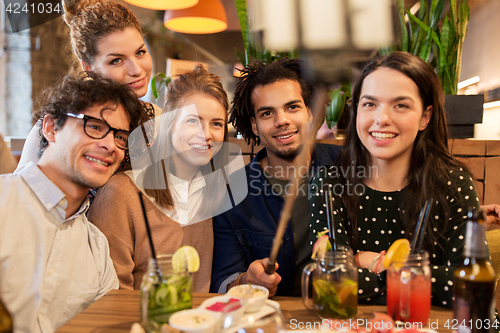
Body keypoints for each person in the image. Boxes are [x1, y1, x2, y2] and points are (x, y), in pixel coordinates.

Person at [309, 51, 480, 308]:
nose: (382, 118)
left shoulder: (452, 183)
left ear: (425, 116)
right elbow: (331, 284)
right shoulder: (330, 182)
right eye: (370, 104)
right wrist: (417, 277)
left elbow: (470, 286)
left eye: (401, 105)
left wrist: (372, 263)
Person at [0, 71, 144, 332]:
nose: (110, 144)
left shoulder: (98, 250)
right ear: (51, 128)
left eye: (120, 136)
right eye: (94, 126)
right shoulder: (4, 204)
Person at [88, 66, 232, 292]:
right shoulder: (121, 193)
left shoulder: (214, 193)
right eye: (193, 121)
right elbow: (109, 294)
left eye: (216, 123)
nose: (206, 134)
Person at [211, 58, 342, 297]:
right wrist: (245, 281)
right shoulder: (230, 193)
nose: (281, 120)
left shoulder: (347, 166)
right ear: (253, 125)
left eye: (292, 107)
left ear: (310, 113)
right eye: (267, 112)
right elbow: (223, 279)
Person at [16, 0, 160, 172]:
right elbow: (22, 190)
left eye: (140, 52)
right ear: (88, 68)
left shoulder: (157, 118)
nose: (136, 70)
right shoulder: (62, 123)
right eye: (116, 60)